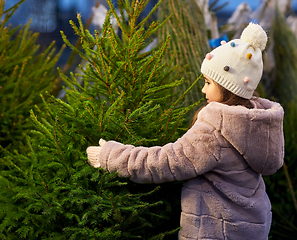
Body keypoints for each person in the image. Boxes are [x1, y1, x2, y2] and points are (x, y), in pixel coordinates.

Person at [86, 22, 284, 240]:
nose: (203, 89)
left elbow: (165, 161)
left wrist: (111, 156)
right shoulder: (257, 124)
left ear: (228, 88)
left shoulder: (215, 132)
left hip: (215, 234)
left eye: (208, 82)